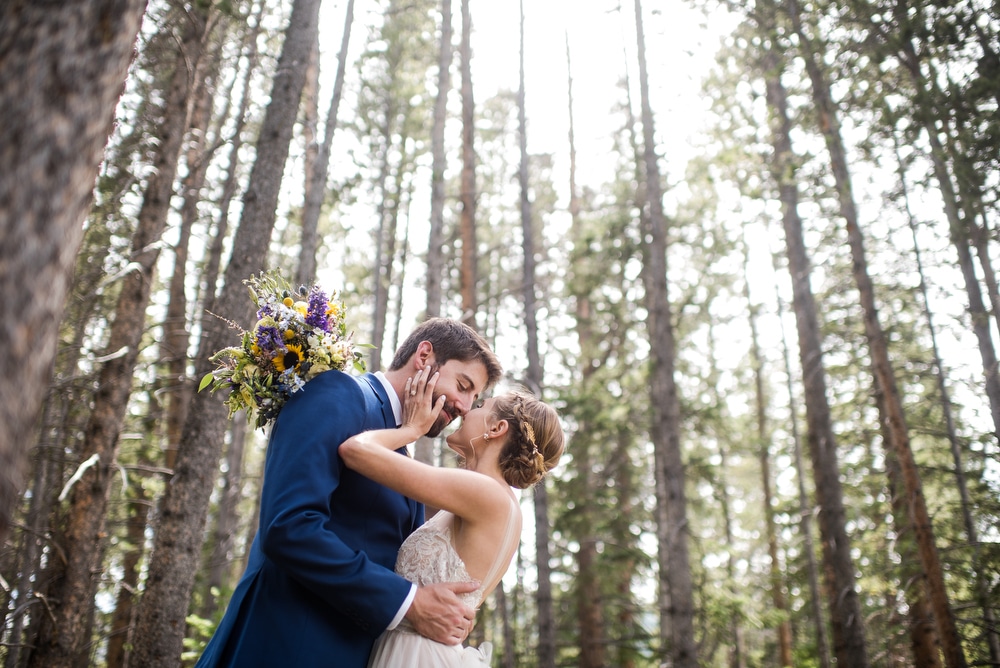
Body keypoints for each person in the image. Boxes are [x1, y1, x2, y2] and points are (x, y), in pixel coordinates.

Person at [196, 318, 503, 668]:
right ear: (424, 355)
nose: (465, 406)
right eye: (463, 386)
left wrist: (446, 610)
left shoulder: (399, 451)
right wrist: (410, 603)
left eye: (474, 398)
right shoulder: (339, 393)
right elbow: (290, 527)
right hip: (286, 644)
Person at [339, 368, 565, 667]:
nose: (468, 409)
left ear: (496, 429)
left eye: (481, 405)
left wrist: (411, 430)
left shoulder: (484, 492)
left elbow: (355, 450)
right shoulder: (496, 501)